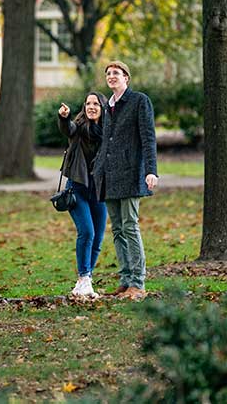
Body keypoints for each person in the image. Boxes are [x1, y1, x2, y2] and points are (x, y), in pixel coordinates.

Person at [93, 60, 158, 301]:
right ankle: (125, 279)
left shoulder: (139, 101)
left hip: (131, 174)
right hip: (109, 176)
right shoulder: (107, 105)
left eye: (116, 73)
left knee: (130, 226)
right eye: (109, 73)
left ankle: (138, 283)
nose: (112, 76)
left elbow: (148, 137)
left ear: (126, 78)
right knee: (117, 229)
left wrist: (151, 171)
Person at [57, 92, 108, 298]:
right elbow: (67, 128)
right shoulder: (77, 127)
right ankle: (84, 276)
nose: (91, 107)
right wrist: (64, 117)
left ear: (103, 108)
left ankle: (84, 281)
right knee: (86, 232)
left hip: (99, 190)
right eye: (88, 103)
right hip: (77, 188)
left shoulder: (108, 131)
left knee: (98, 238)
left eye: (96, 103)